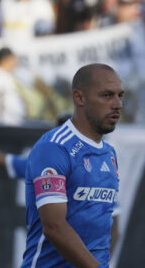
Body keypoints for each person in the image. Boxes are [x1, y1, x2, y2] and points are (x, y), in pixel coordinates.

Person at [21, 63, 124, 267]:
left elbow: (107, 224)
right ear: (79, 97)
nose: (117, 104)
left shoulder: (108, 152)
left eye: (120, 95)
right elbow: (54, 226)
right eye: (107, 95)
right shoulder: (54, 147)